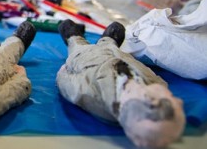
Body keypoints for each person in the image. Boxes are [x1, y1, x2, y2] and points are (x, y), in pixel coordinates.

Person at [56, 19, 185, 148]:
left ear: (150, 101)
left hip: (87, 58)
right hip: (115, 53)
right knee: (116, 30)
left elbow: (70, 86)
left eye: (172, 99)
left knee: (72, 35)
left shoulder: (93, 97)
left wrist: (63, 72)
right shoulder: (155, 84)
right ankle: (107, 40)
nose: (180, 101)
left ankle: (74, 37)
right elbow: (150, 73)